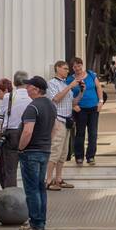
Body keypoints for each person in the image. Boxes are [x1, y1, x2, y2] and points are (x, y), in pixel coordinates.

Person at [17, 76, 56, 230]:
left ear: (36, 89)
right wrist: (47, 142)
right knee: (40, 187)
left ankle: (36, 222)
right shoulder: (51, 106)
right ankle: (40, 220)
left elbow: (27, 131)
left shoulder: (33, 107)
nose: (26, 89)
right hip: (44, 149)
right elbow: (55, 129)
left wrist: (20, 148)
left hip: (31, 151)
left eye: (29, 86)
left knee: (32, 189)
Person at [0, 72, 31, 188]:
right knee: (29, 169)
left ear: (15, 82)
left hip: (11, 134)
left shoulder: (9, 96)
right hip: (28, 133)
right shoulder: (31, 96)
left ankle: (10, 196)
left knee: (10, 170)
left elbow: (0, 118)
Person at [68, 57, 104, 166]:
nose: (77, 68)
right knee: (80, 133)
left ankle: (91, 156)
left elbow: (98, 88)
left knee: (93, 133)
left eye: (79, 65)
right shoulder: (70, 80)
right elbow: (67, 95)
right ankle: (79, 156)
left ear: (82, 65)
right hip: (80, 109)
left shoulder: (91, 75)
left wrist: (100, 101)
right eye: (75, 66)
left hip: (93, 108)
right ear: (72, 68)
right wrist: (73, 106)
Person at [46, 61, 76, 191]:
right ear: (57, 69)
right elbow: (56, 99)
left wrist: (81, 92)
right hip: (58, 120)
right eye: (64, 68)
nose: (67, 71)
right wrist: (69, 87)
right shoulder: (51, 83)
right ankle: (48, 180)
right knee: (55, 151)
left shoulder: (64, 84)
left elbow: (72, 102)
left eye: (67, 69)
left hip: (67, 119)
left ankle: (58, 178)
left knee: (63, 152)